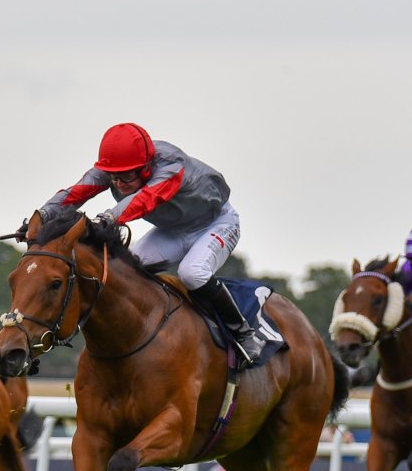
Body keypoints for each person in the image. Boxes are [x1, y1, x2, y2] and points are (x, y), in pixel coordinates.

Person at [34, 123, 264, 365]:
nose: (119, 183)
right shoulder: (114, 168)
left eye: (127, 175)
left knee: (192, 273)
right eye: (114, 176)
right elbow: (75, 193)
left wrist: (108, 218)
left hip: (217, 223)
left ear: (146, 167)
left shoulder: (172, 167)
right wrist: (40, 217)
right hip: (173, 230)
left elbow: (144, 199)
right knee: (126, 271)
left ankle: (244, 333)